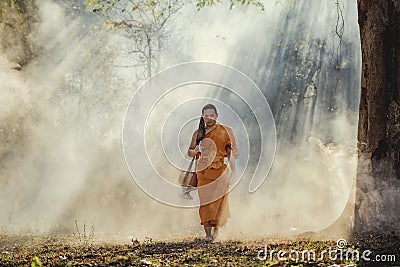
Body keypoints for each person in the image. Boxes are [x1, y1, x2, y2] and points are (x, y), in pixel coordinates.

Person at [187, 104, 238, 242]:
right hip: (202, 172)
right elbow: (189, 152)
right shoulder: (198, 134)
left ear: (216, 116)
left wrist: (233, 169)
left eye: (211, 115)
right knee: (205, 203)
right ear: (202, 116)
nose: (209, 118)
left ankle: (216, 233)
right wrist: (196, 150)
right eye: (206, 115)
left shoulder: (225, 131)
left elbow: (229, 152)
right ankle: (208, 235)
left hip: (220, 172)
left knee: (219, 202)